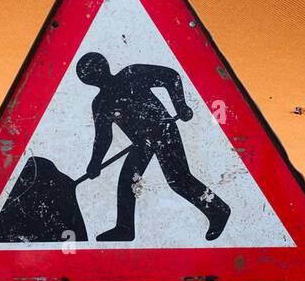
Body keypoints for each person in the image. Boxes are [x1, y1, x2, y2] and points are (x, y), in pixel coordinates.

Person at [76, 51, 230, 242]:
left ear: (103, 66)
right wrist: (95, 163)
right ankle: (124, 229)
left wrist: (180, 106)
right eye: (89, 75)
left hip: (163, 129)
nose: (95, 76)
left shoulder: (131, 74)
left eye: (94, 71)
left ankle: (218, 211)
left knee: (178, 180)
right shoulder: (100, 103)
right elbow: (103, 137)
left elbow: (170, 76)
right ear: (88, 81)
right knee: (127, 180)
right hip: (142, 143)